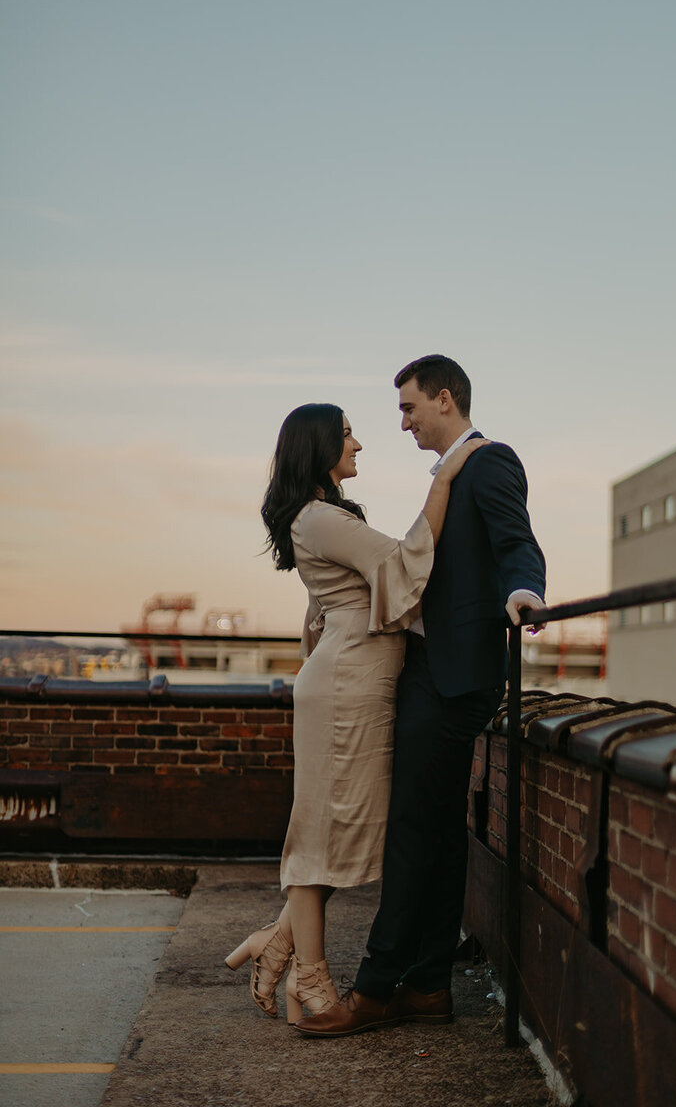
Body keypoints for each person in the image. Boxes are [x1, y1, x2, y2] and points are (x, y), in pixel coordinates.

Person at [294, 354, 546, 1037]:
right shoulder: (448, 477)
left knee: (411, 830)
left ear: (442, 400)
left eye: (408, 408)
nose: (400, 423)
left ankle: (376, 989)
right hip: (430, 670)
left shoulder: (489, 463)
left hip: (455, 676)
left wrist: (524, 594)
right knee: (434, 831)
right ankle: (429, 985)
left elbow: (518, 543)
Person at [224, 401, 486, 1021]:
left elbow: (362, 587)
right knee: (321, 831)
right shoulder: (317, 516)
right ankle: (310, 983)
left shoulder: (324, 516)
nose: (359, 445)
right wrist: (443, 479)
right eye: (347, 435)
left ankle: (279, 940)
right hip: (346, 685)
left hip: (358, 681)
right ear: (318, 447)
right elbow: (400, 564)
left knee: (353, 826)